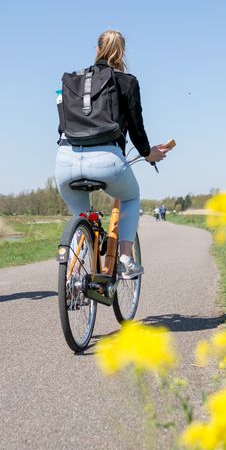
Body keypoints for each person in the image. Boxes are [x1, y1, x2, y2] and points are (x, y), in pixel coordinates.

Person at [54, 30, 171, 278]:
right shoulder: (127, 82)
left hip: (65, 160)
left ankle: (72, 274)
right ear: (122, 53)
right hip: (107, 160)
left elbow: (62, 125)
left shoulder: (73, 81)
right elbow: (136, 128)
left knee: (80, 216)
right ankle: (126, 257)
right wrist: (148, 153)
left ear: (97, 49)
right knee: (131, 197)